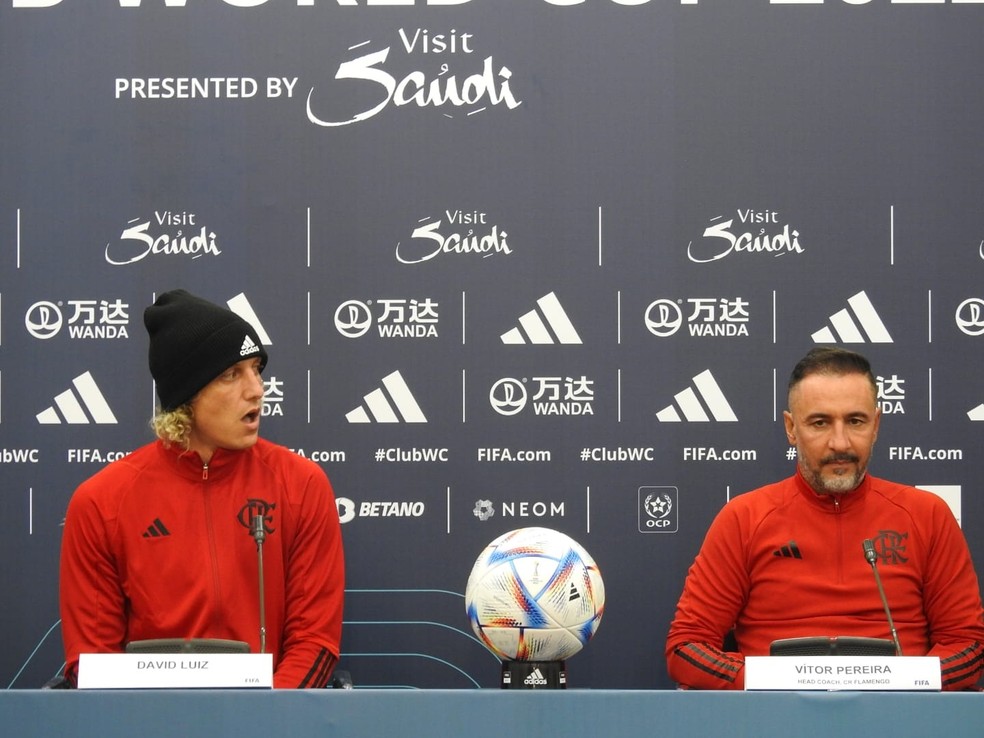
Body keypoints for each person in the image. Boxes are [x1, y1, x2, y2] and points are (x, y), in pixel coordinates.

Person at [59, 289, 345, 688]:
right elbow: (92, 661)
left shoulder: (302, 485)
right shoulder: (101, 502)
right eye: (232, 374)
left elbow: (314, 642)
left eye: (256, 369)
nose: (257, 389)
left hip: (270, 714)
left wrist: (265, 718)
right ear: (186, 396)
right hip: (148, 716)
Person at [665, 347, 984, 690]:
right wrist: (772, 680)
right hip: (773, 712)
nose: (840, 443)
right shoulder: (745, 518)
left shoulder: (927, 514)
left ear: (876, 425)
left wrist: (904, 682)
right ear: (791, 428)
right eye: (820, 423)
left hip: (898, 711)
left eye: (856, 421)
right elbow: (686, 648)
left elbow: (969, 646)